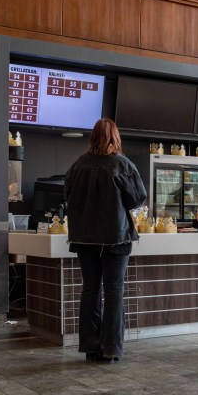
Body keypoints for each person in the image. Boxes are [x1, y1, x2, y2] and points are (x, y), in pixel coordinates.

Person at [65, 118, 147, 364]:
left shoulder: (78, 165)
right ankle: (112, 349)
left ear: (92, 137)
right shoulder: (122, 165)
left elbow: (67, 195)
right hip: (115, 238)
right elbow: (137, 199)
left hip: (84, 238)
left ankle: (91, 348)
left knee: (90, 290)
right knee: (113, 292)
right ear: (115, 137)